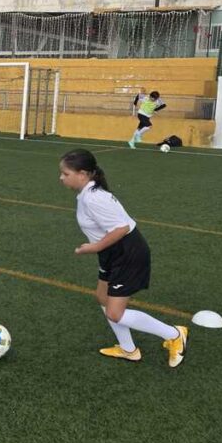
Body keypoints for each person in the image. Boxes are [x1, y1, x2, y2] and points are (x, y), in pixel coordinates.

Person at [58, 149, 188, 367]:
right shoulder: (87, 194)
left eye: (65, 173)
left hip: (127, 252)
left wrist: (92, 248)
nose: (61, 177)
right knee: (102, 297)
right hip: (111, 252)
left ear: (82, 174)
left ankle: (174, 334)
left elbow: (122, 228)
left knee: (115, 313)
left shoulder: (94, 198)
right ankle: (129, 350)